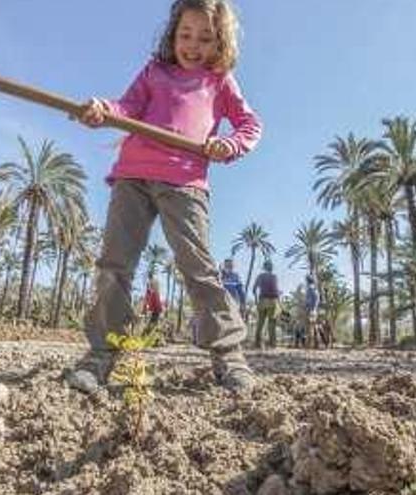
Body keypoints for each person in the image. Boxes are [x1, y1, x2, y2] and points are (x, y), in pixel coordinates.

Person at [65, 0, 263, 395]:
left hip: (186, 182)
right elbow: (126, 107)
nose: (193, 45)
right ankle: (102, 354)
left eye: (205, 38)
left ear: (220, 41)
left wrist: (229, 145)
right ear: (172, 35)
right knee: (114, 264)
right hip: (133, 177)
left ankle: (229, 355)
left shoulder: (219, 81)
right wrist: (103, 110)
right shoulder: (154, 72)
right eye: (185, 34)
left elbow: (249, 124)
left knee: (198, 267)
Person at [252, 260, 280, 349]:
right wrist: (279, 302)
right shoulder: (274, 277)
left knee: (260, 323)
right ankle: (273, 344)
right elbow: (276, 290)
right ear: (271, 268)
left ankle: (258, 344)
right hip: (273, 301)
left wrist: (256, 300)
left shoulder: (260, 276)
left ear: (264, 267)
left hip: (262, 300)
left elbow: (254, 289)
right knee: (272, 323)